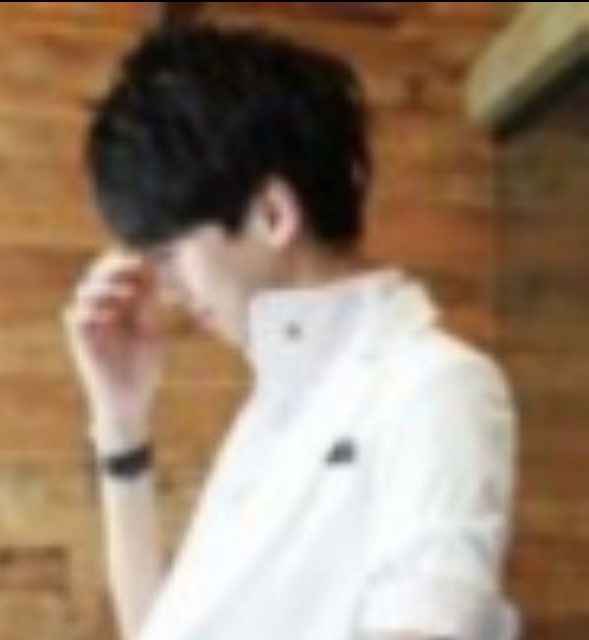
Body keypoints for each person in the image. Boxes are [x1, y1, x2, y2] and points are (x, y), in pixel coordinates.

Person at [62, 23, 519, 640]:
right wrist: (120, 422)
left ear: (272, 214)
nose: (167, 290)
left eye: (168, 256)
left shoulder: (434, 388)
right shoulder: (282, 399)